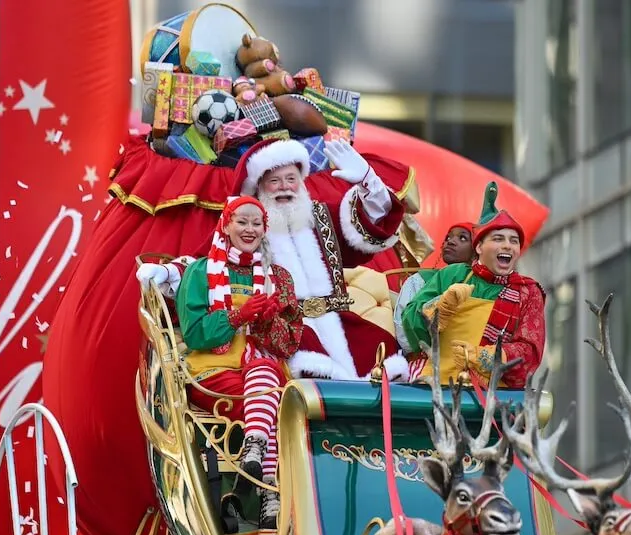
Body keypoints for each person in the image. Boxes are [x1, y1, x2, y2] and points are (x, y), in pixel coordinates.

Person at [229, 138, 410, 381]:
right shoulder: (245, 229)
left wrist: (368, 181)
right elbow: (208, 263)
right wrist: (169, 274)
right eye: (274, 181)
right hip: (283, 328)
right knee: (308, 360)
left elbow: (373, 221)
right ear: (259, 187)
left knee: (382, 347)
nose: (284, 186)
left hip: (338, 320)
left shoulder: (323, 217)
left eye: (291, 179)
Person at [174, 196, 303, 530]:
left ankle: (255, 450)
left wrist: (266, 321)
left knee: (269, 376)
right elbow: (195, 334)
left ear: (265, 228)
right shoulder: (200, 271)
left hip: (262, 374)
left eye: (256, 223)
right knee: (277, 403)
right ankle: (269, 495)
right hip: (214, 375)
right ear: (226, 224)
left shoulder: (279, 278)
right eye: (241, 221)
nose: (249, 229)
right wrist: (237, 317)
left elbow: (288, 342)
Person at [402, 182, 546, 388]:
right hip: (435, 387)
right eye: (498, 239)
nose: (507, 245)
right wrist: (437, 310)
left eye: (514, 241)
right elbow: (410, 324)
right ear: (479, 247)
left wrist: (484, 357)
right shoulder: (453, 274)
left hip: (492, 399)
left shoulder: (528, 292)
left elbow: (530, 353)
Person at [392, 221, 475, 356]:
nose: (451, 242)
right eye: (448, 238)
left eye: (463, 238)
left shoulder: (483, 286)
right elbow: (403, 334)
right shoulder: (419, 280)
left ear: (478, 249)